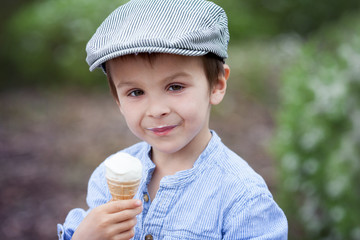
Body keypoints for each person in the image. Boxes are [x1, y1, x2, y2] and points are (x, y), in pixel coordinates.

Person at [57, 0, 288, 239]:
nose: (156, 110)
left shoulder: (243, 199)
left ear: (217, 85)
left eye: (175, 87)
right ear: (118, 100)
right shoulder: (108, 178)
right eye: (136, 92)